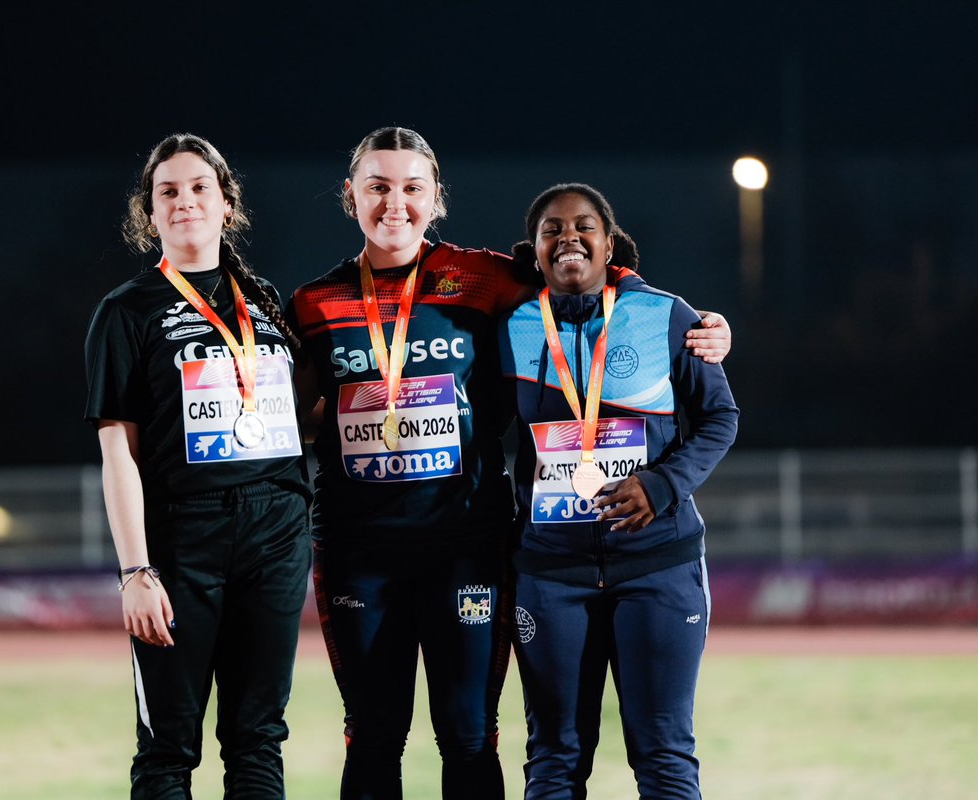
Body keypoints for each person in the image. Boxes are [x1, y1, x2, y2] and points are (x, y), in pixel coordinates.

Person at [285, 127, 732, 800]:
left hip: (466, 541)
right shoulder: (312, 304)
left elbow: (583, 276)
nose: (394, 203)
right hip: (360, 546)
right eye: (377, 187)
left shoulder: (488, 278)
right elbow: (294, 411)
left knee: (470, 735)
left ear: (437, 198)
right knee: (374, 736)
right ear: (350, 196)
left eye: (412, 187)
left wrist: (700, 325)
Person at [84, 133, 311, 799]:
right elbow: (117, 451)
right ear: (148, 214)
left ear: (227, 205)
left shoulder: (264, 300)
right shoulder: (126, 311)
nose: (184, 202)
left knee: (258, 743)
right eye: (168, 192)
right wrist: (135, 570)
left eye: (198, 188)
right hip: (185, 543)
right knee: (166, 751)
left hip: (275, 536)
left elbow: (295, 421)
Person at [498, 183, 739, 799]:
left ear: (609, 245)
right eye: (552, 229)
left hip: (657, 566)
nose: (568, 238)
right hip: (551, 573)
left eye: (584, 227)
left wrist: (661, 486)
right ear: (536, 249)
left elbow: (720, 418)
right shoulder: (514, 326)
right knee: (553, 758)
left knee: (662, 756)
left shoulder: (667, 314)